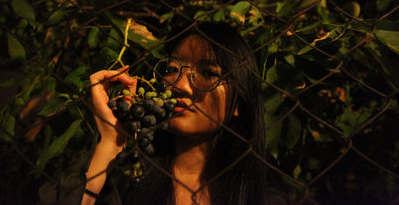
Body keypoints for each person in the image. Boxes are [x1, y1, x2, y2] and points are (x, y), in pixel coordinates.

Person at [82, 21, 286, 205]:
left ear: (239, 104)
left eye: (208, 73)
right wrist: (111, 139)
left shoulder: (262, 189)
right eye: (172, 69)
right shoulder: (128, 174)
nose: (180, 86)